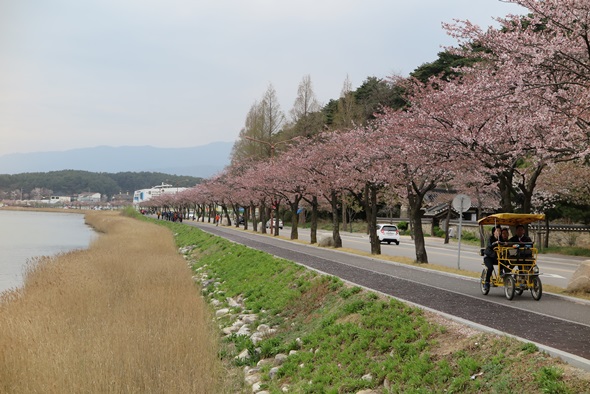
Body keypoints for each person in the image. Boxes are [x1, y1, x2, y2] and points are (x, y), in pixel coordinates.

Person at [483, 225, 503, 290]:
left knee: (504, 262)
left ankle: (502, 273)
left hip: (496, 258)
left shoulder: (501, 239)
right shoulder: (490, 238)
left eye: (500, 231)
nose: (499, 232)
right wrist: (495, 243)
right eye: (497, 231)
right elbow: (489, 245)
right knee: (490, 268)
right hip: (488, 257)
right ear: (494, 232)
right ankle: (487, 282)